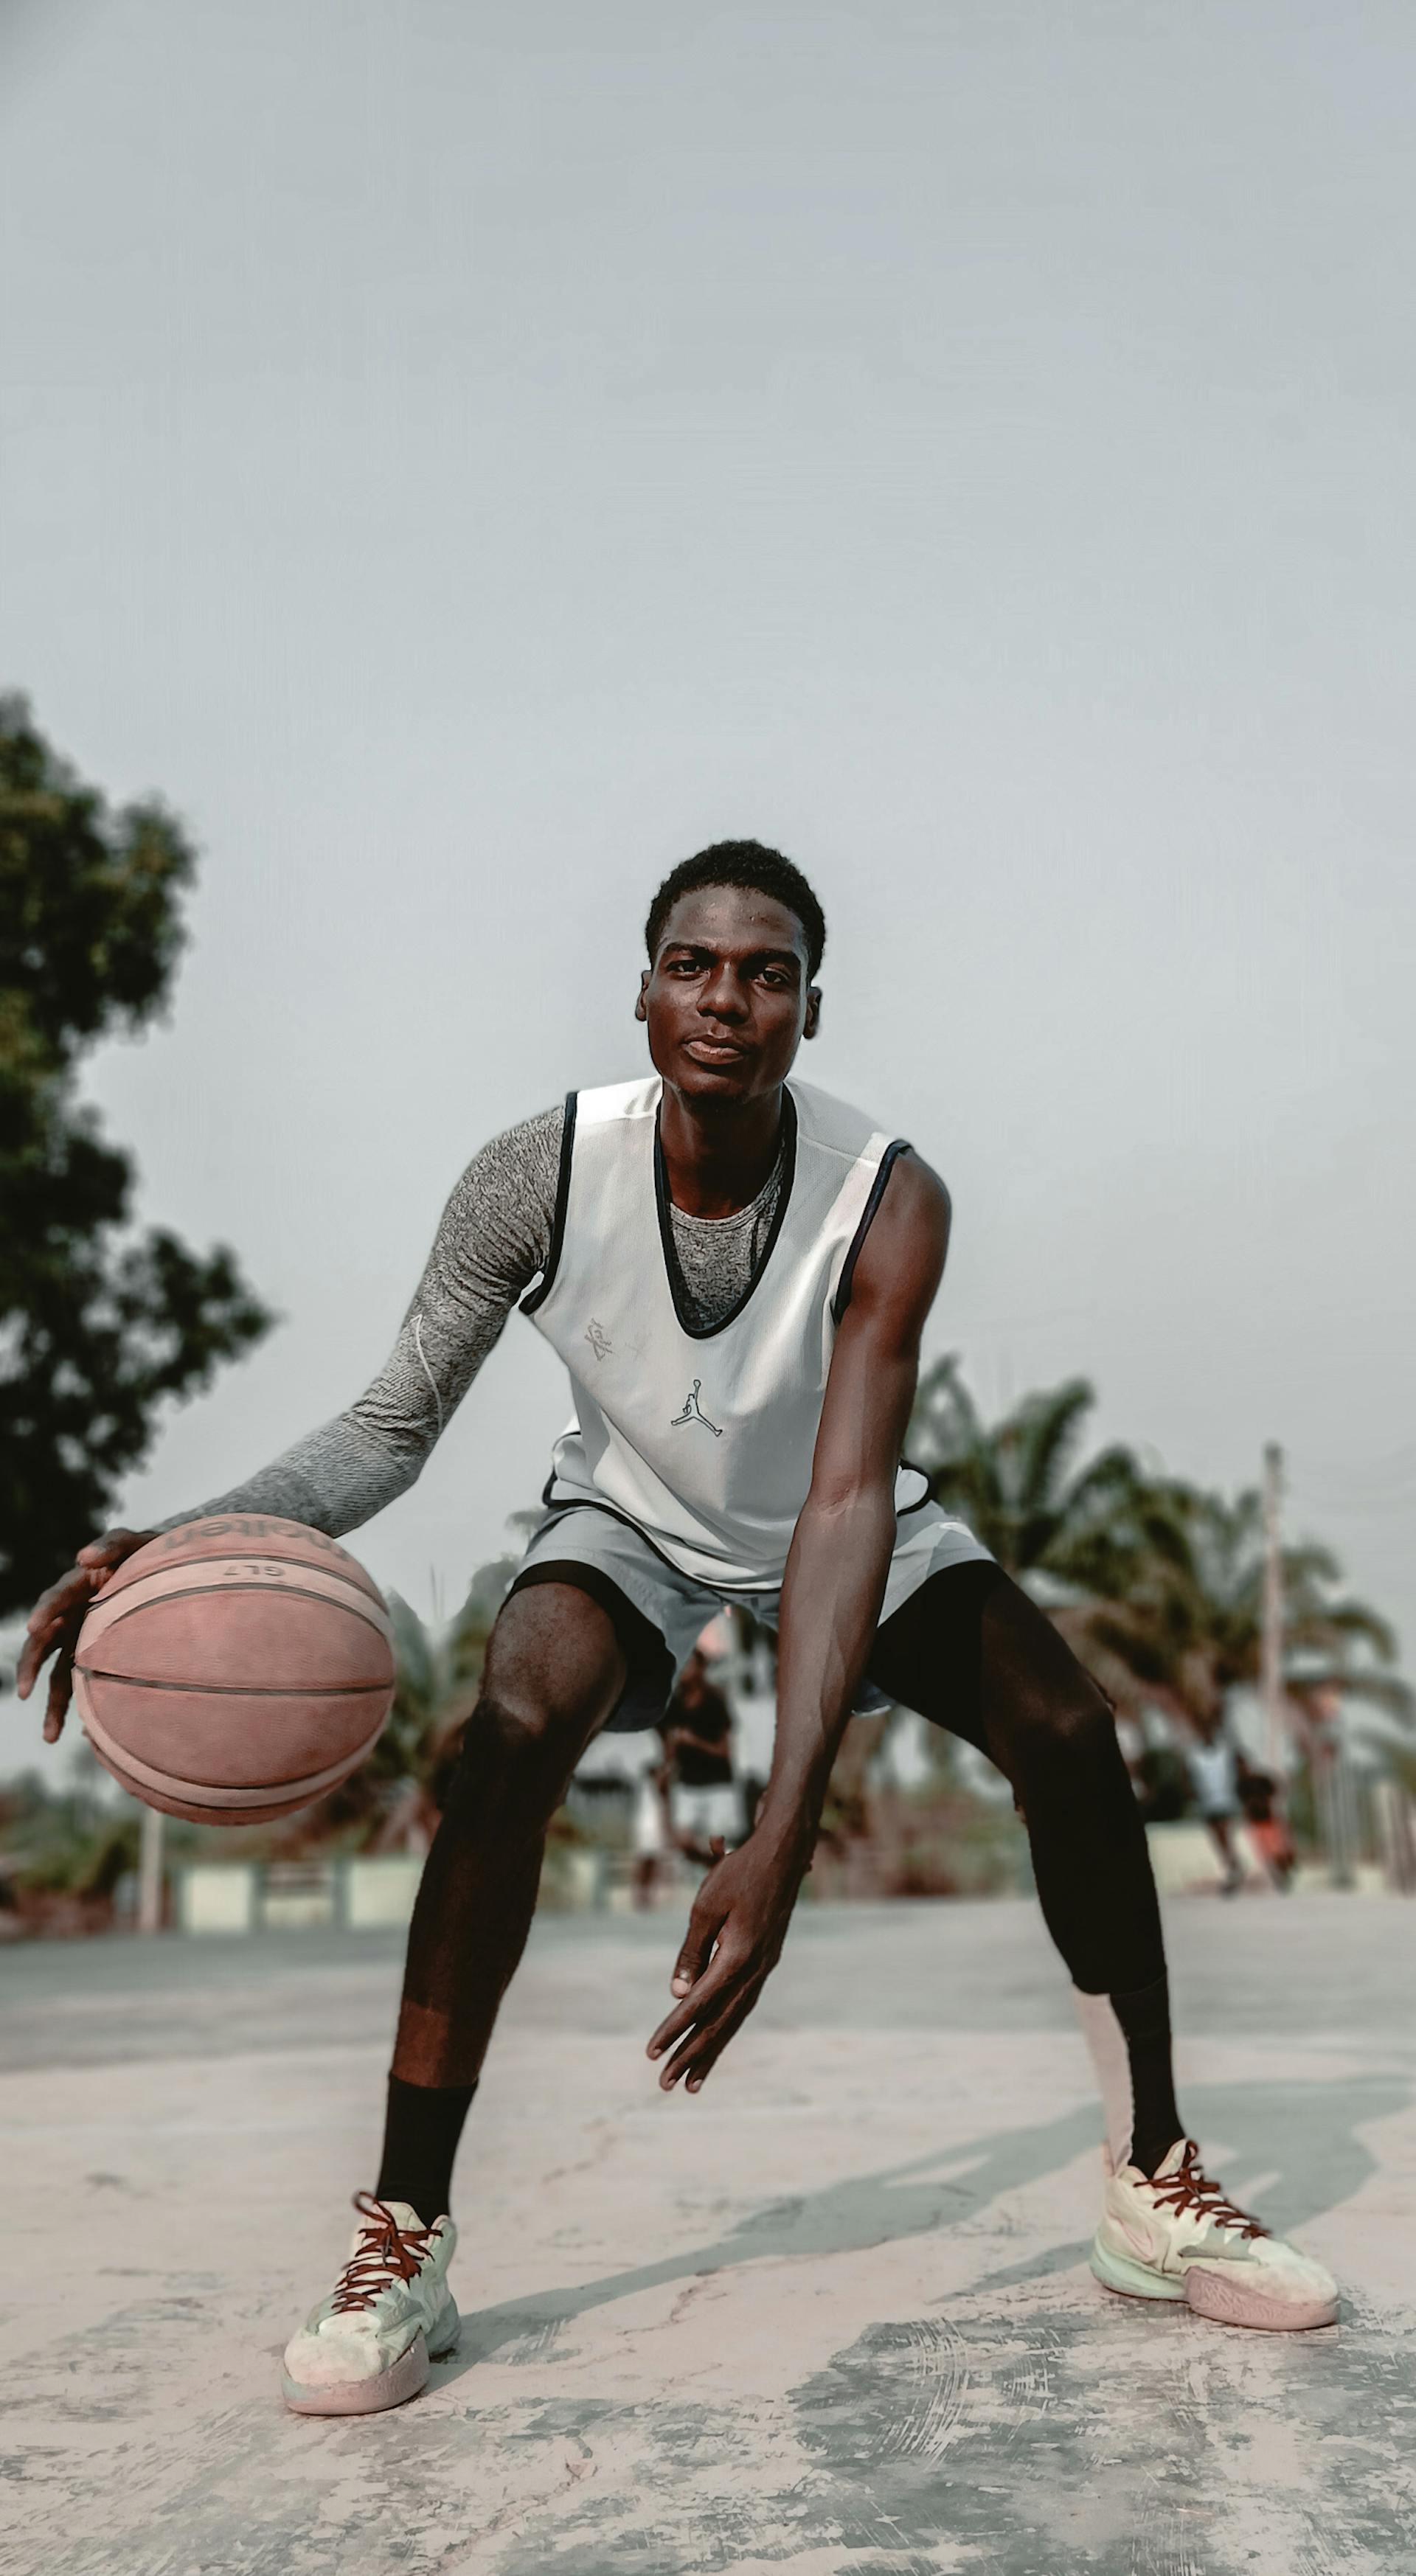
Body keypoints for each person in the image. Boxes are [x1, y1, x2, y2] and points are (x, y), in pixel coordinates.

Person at [20, 841, 1338, 2414]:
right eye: (696, 965)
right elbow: (390, 1424)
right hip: (633, 1520)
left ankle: (1153, 2176)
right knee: (507, 1736)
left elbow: (845, 1503)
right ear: (643, 993)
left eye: (768, 972)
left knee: (1067, 1730)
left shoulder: (889, 1196)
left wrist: (786, 1832)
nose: (730, 997)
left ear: (812, 1009)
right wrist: (193, 1539)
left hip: (847, 1525)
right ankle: (405, 2231)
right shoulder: (539, 1172)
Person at [663, 1646, 743, 1861]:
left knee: (719, 1844)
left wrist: (694, 1742)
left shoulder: (714, 1702)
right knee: (682, 1842)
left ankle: (721, 1877)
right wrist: (667, 1768)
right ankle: (713, 1869)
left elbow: (724, 1751)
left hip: (717, 1783)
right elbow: (670, 1743)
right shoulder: (675, 1703)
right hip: (688, 1783)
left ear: (701, 1669)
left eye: (689, 1665)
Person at [1186, 1723, 1246, 1895]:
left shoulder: (1225, 1751)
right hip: (1207, 1802)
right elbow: (1188, 1776)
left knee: (1224, 1833)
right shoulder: (1195, 1754)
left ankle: (1233, 1866)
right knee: (1218, 1837)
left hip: (1226, 1799)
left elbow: (1240, 1766)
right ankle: (1232, 1865)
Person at [1235, 1750, 1296, 1892]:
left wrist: (1267, 1802)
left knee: (1279, 1851)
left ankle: (1284, 1873)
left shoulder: (1261, 1780)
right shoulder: (1240, 1784)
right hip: (1255, 1822)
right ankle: (1278, 1878)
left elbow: (1278, 1790)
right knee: (1266, 1853)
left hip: (1270, 1819)